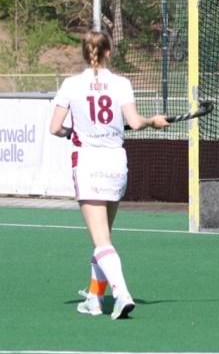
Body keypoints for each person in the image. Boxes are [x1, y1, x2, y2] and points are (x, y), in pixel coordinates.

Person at [49, 30, 170, 319]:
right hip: (116, 162)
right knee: (104, 239)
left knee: (102, 241)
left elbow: (55, 128)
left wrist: (72, 133)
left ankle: (121, 294)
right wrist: (153, 121)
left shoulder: (71, 84)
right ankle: (94, 297)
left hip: (89, 163)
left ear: (84, 52)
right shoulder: (121, 83)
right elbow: (134, 123)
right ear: (108, 52)